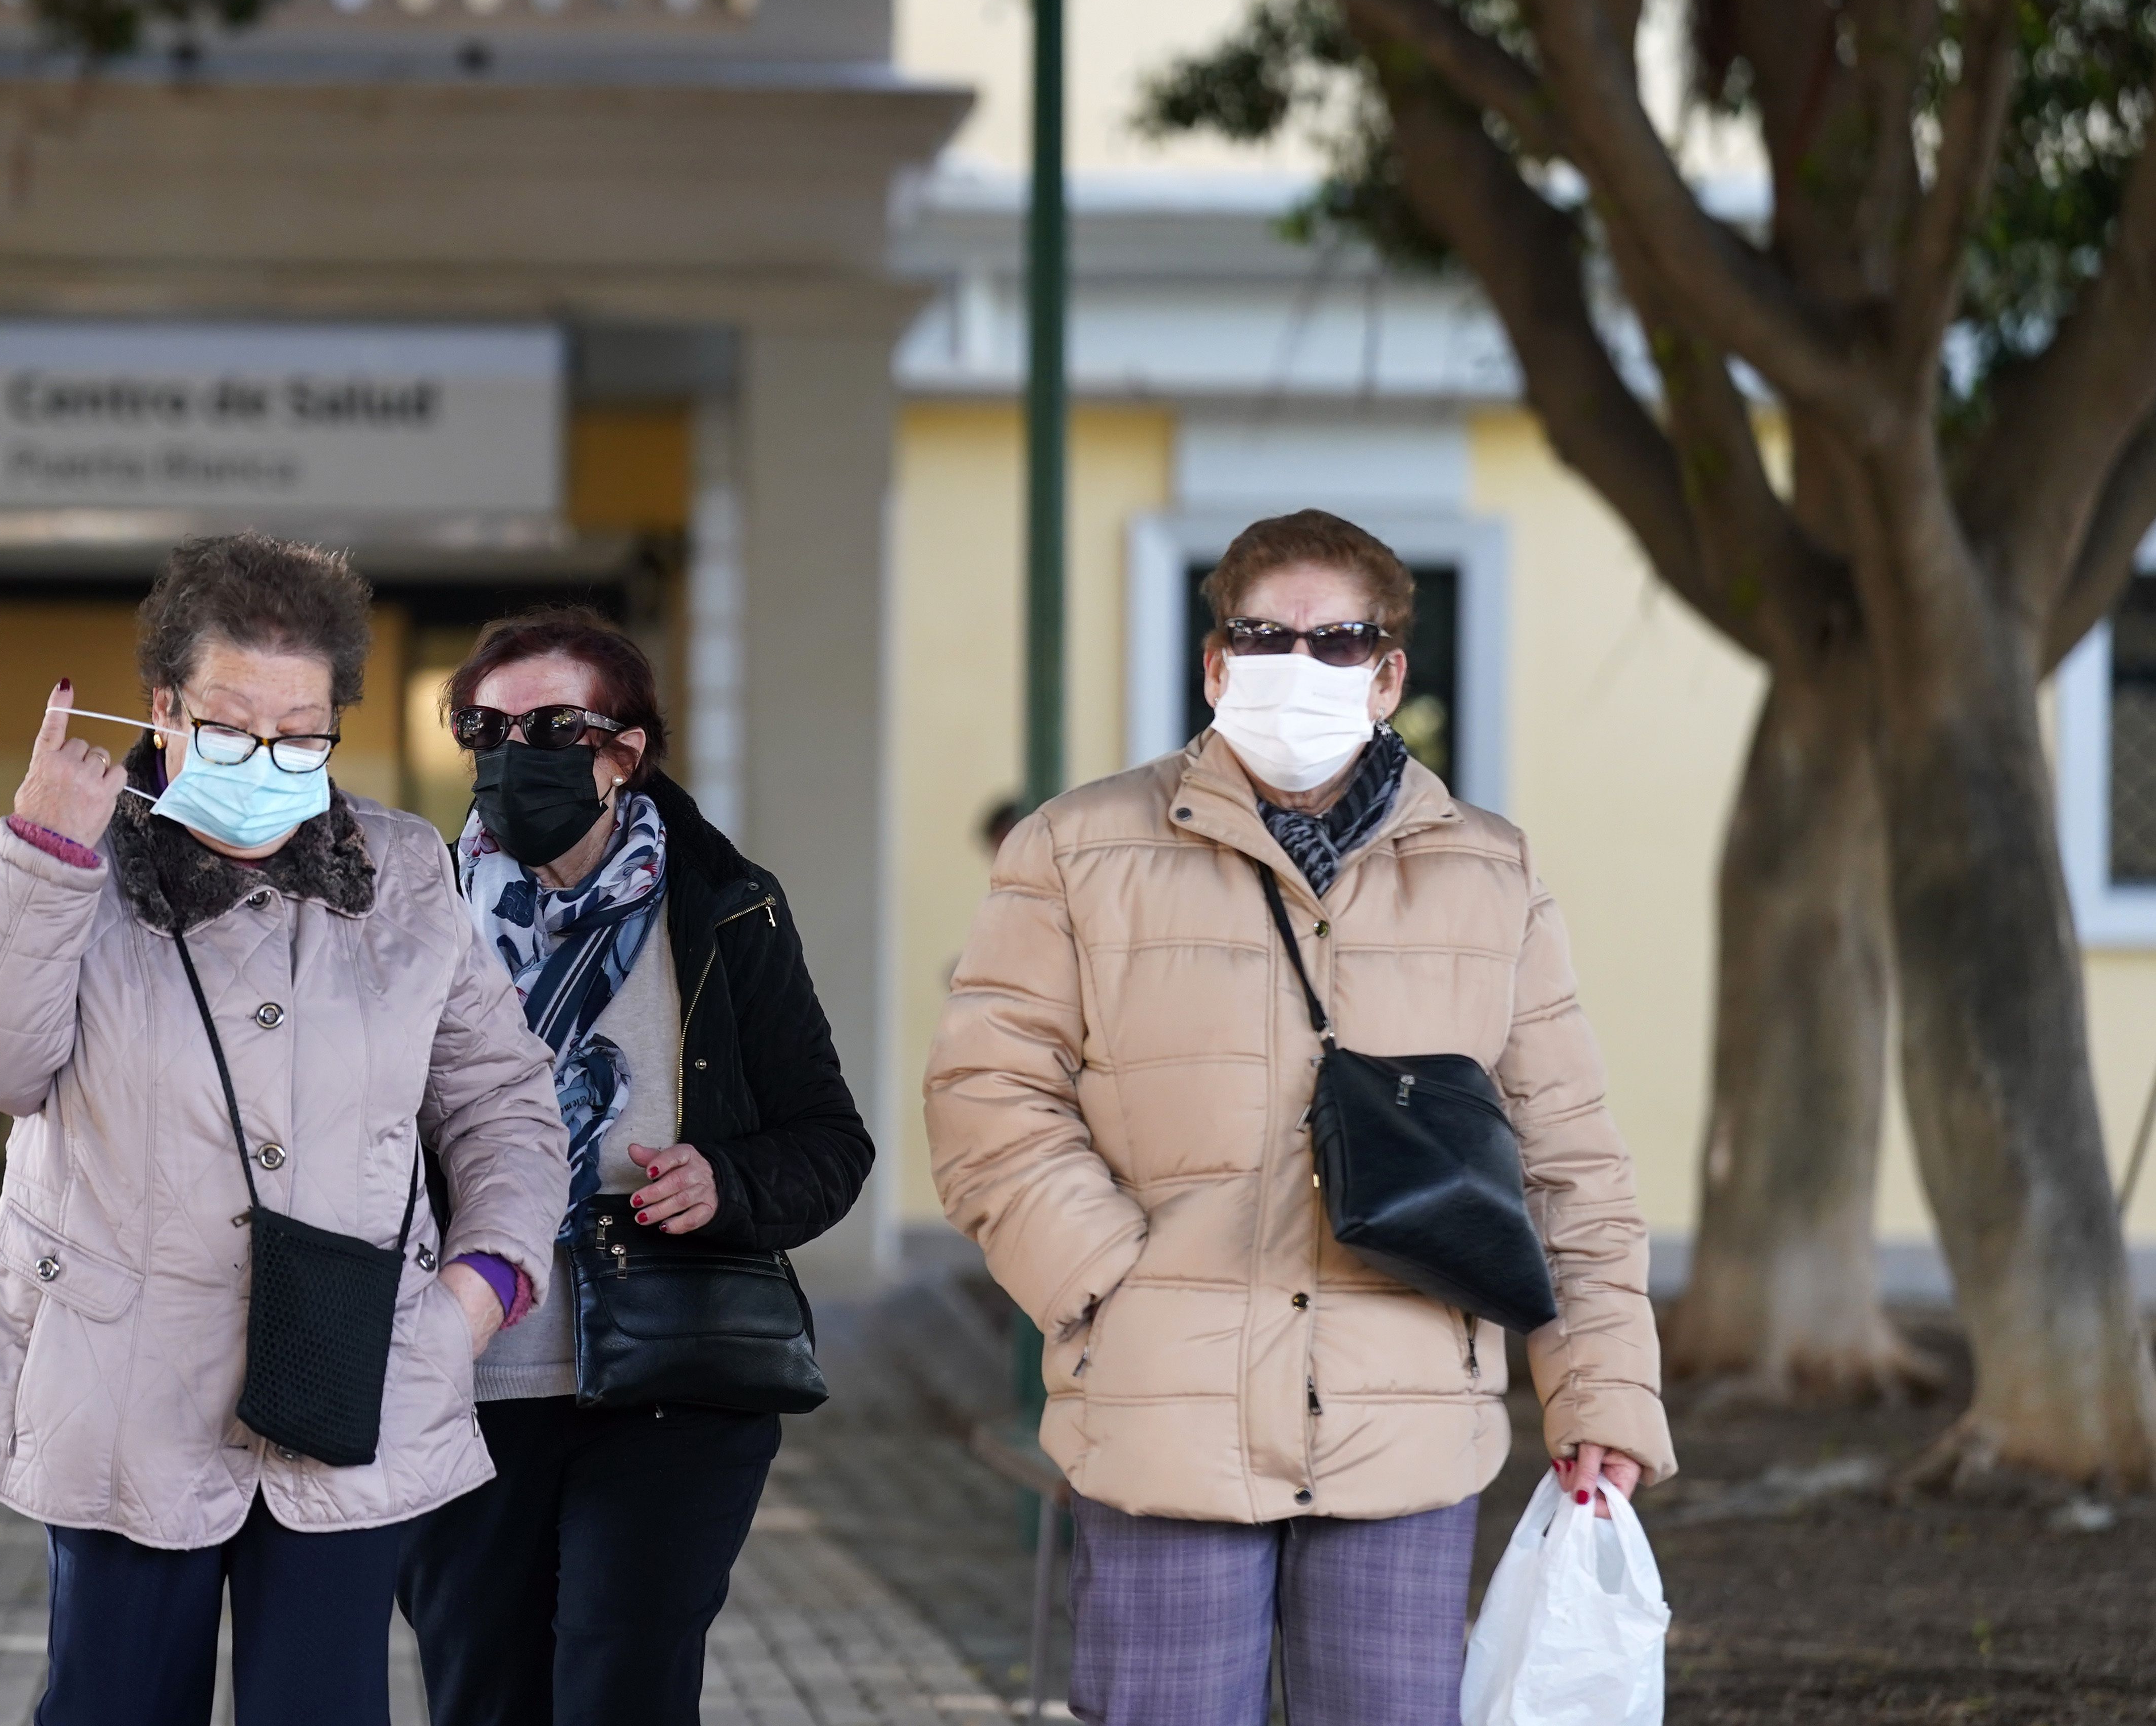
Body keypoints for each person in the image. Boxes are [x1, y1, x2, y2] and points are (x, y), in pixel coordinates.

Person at [925, 509, 1675, 1726]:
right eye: (1265, 635)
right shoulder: (1073, 849)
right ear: (1213, 664)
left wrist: (1594, 1392)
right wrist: (1112, 1282)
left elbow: (1566, 1155)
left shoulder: (1488, 873)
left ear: (1387, 674)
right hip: (1164, 1419)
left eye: (1338, 639)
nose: (1299, 664)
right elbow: (985, 1094)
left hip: (1407, 1420)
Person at [0, 533, 570, 1726]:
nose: (267, 760)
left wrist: (480, 1287)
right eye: (230, 724)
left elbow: (502, 1099)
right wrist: (39, 858)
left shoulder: (406, 872)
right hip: (124, 1388)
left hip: (353, 1378)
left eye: (301, 733)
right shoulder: (73, 866)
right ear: (162, 708)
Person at [396, 607, 875, 1726]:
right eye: (486, 726)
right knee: (480, 1687)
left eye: (553, 726)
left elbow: (828, 1141)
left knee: (620, 1680)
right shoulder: (409, 914)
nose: (515, 755)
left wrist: (725, 1180)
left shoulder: (723, 905)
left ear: (624, 752)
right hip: (459, 1377)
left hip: (668, 1369)